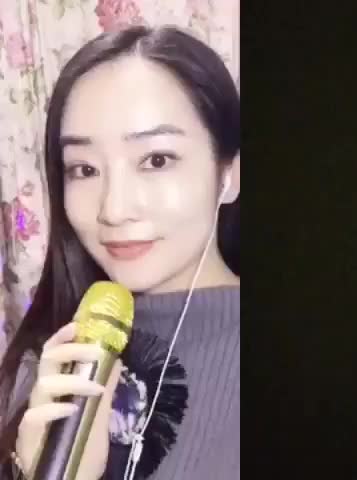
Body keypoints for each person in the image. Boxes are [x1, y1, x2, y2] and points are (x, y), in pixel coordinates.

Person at [0, 24, 240, 480]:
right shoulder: (50, 367)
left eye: (156, 160)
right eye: (84, 169)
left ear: (229, 175)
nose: (113, 209)